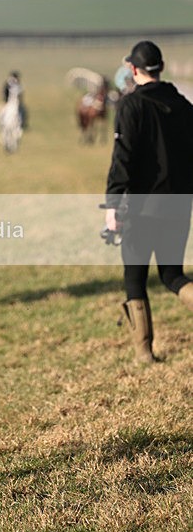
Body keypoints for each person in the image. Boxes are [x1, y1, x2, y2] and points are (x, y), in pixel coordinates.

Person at [105, 40, 193, 361]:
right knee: (172, 275)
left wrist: (113, 205)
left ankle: (144, 352)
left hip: (141, 208)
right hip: (180, 205)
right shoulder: (184, 105)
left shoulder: (131, 106)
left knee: (135, 280)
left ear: (132, 69)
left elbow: (122, 160)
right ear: (162, 68)